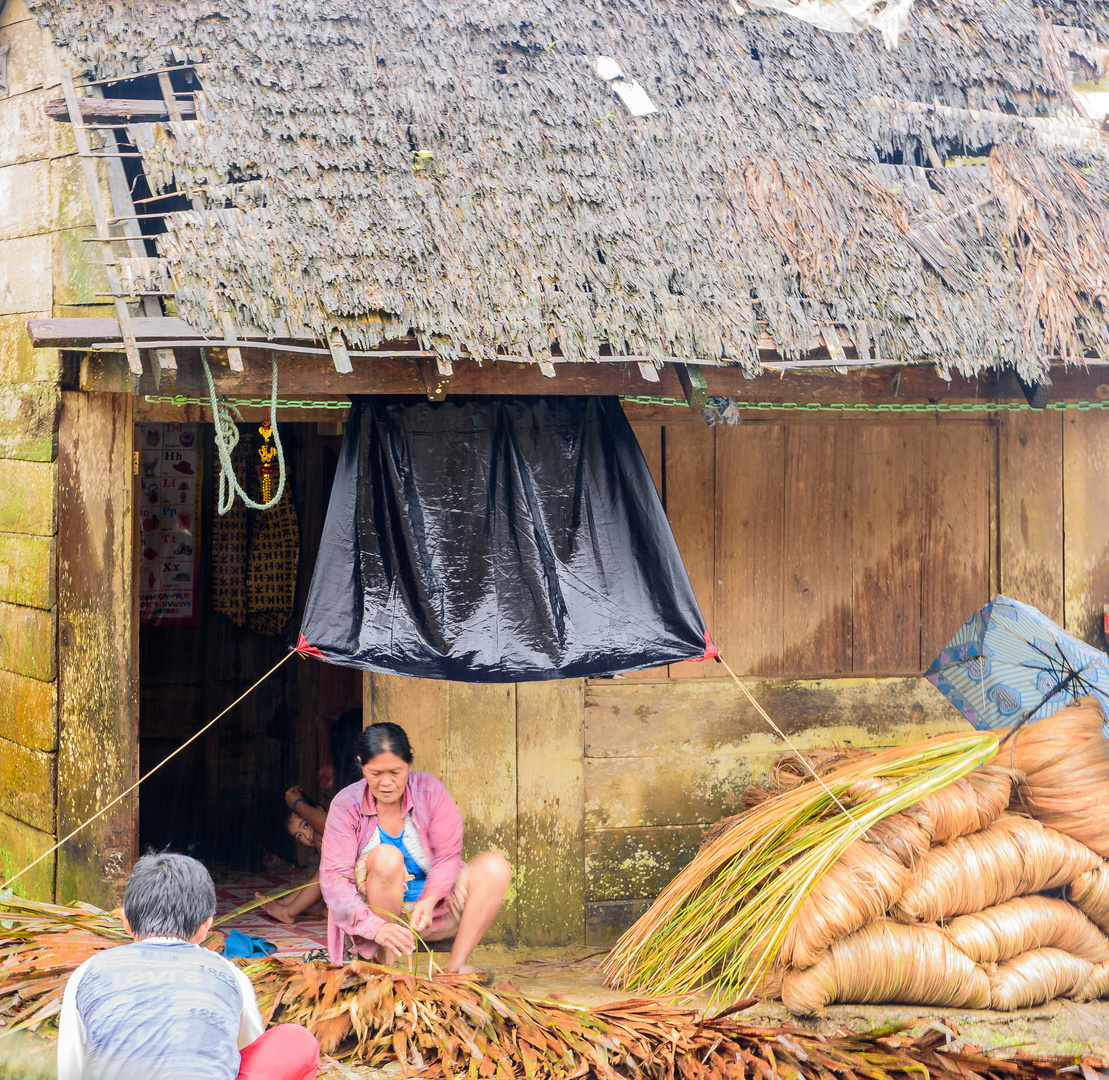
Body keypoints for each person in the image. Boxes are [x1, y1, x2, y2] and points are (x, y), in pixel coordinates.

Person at [58, 852, 319, 1080]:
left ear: (125, 921)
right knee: (297, 1041)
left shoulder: (88, 972)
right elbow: (247, 1051)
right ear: (206, 927)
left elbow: (69, 1070)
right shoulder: (228, 974)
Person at [319, 722, 511, 973]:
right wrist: (376, 927)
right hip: (373, 920)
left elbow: (447, 856)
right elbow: (334, 880)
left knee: (495, 868)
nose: (386, 783)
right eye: (376, 773)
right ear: (361, 765)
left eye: (395, 772)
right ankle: (386, 966)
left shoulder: (430, 791)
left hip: (435, 911)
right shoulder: (346, 805)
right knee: (387, 857)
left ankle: (456, 967)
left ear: (410, 763)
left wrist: (430, 900)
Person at [255, 791, 327, 924]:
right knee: (312, 900)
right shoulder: (321, 837)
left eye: (305, 825)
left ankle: (289, 912)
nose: (306, 836)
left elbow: (324, 875)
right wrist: (284, 902)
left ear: (318, 812)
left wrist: (289, 907)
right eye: (299, 836)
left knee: (325, 872)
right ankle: (289, 906)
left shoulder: (323, 831)